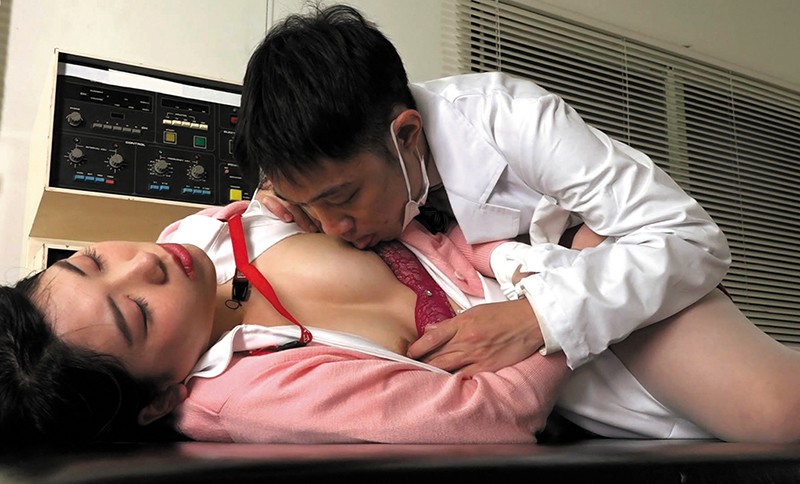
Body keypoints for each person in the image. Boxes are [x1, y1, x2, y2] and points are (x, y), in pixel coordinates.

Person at [3, 199, 800, 444]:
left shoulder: (196, 236)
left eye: (92, 260)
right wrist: (556, 306)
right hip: (589, 335)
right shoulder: (252, 396)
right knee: (786, 411)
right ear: (155, 400)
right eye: (136, 313)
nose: (142, 264)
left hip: (542, 244)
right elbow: (490, 417)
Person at [235, 4, 732, 375]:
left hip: (643, 310)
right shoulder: (311, 180)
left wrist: (536, 317)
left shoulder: (516, 120)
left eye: (342, 199)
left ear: (406, 136)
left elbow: (693, 240)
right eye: (309, 206)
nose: (333, 229)